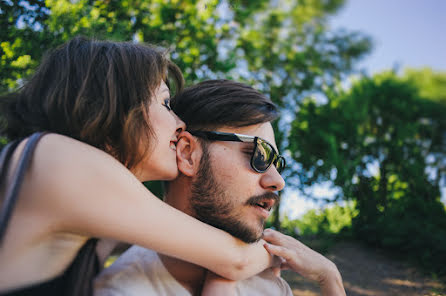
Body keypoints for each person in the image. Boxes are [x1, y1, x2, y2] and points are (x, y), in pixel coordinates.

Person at [0, 38, 280, 295]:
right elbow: (237, 260)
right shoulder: (61, 160)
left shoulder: (75, 188)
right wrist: (288, 253)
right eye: (165, 102)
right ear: (115, 104)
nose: (180, 124)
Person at [94, 80, 346, 295]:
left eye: (277, 164)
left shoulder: (266, 282)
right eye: (258, 155)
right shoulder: (120, 289)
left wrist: (330, 279)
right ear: (188, 153)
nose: (278, 181)